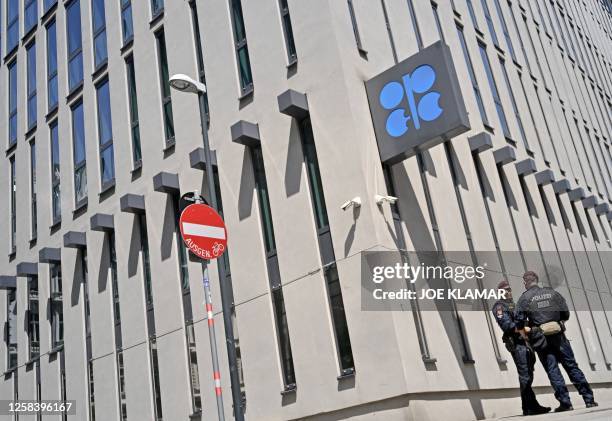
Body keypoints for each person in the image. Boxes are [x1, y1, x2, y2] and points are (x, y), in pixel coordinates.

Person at [515, 271, 598, 412]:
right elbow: (565, 313)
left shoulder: (524, 298)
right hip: (559, 336)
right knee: (572, 366)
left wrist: (527, 333)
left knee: (553, 370)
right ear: (537, 280)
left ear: (525, 282)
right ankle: (589, 400)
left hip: (540, 339)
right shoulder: (553, 293)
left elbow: (519, 322)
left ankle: (566, 403)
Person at [492, 280, 550, 416]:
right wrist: (524, 328)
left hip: (526, 342)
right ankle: (529, 407)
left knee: (528, 374)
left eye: (509, 289)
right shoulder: (499, 307)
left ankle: (531, 405)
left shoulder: (515, 305)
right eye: (504, 290)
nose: (507, 292)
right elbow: (506, 325)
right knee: (525, 375)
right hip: (517, 344)